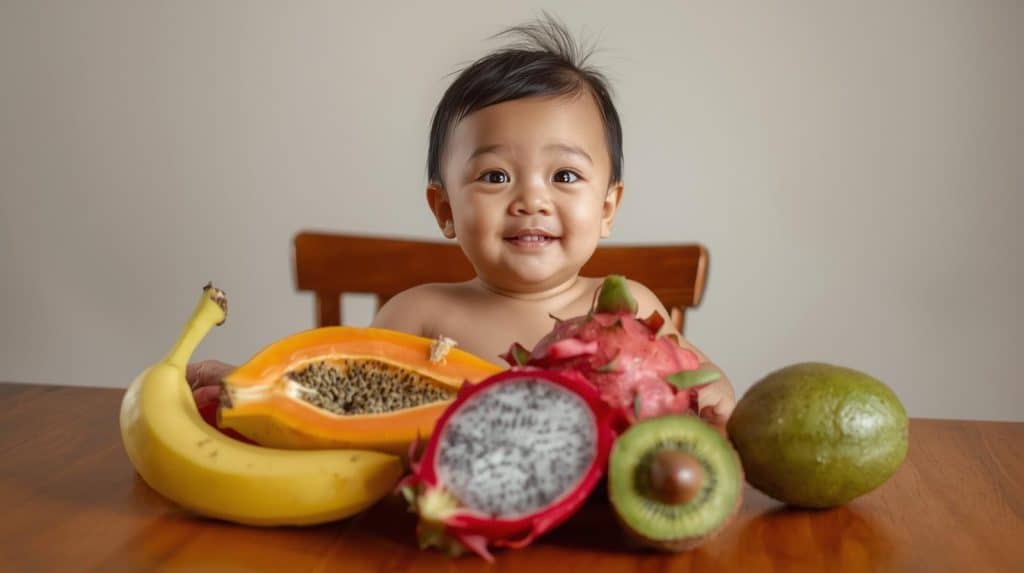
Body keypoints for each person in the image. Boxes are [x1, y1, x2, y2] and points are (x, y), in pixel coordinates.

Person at [188, 16, 736, 427]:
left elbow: (710, 392)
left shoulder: (625, 310)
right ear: (445, 210)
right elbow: (334, 397)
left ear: (608, 209)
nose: (531, 200)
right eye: (496, 177)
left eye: (564, 176)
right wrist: (248, 385)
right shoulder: (420, 315)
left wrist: (712, 410)